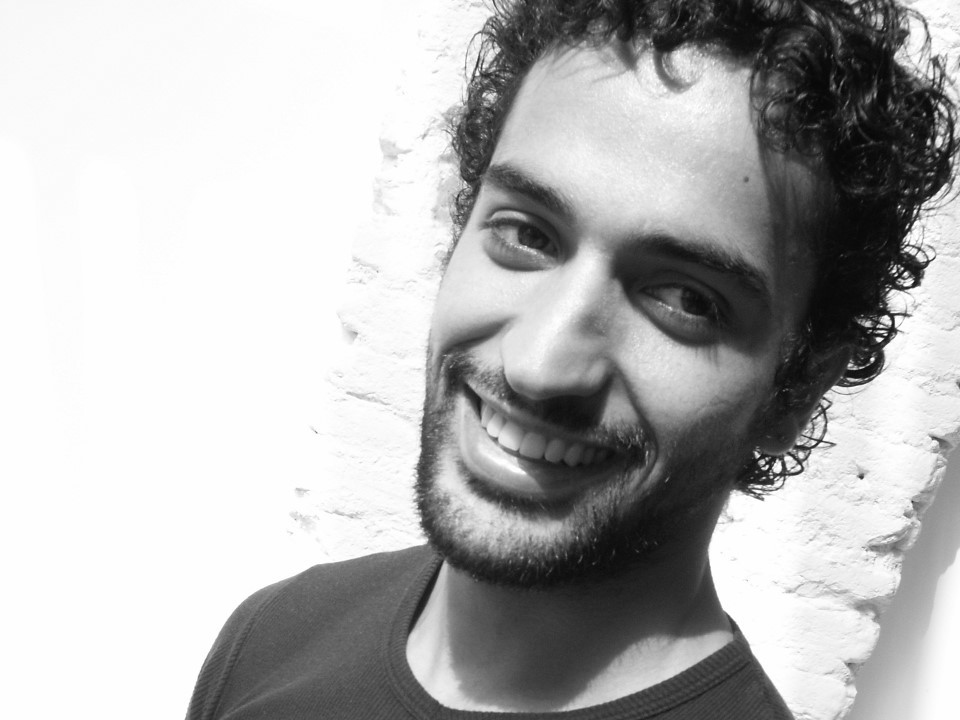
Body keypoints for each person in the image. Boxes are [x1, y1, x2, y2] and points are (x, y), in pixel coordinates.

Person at [186, 1, 957, 718]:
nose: (540, 365)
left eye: (685, 299)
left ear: (798, 390)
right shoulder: (274, 636)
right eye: (527, 234)